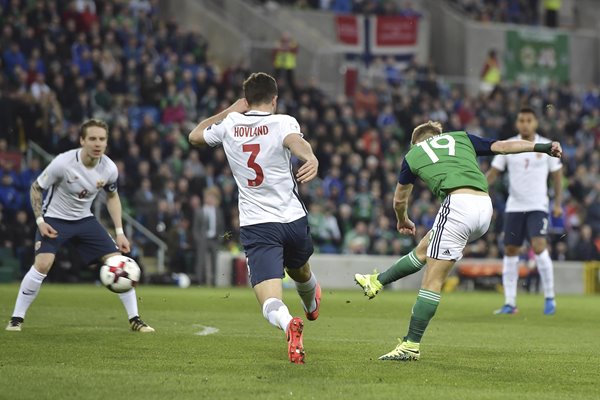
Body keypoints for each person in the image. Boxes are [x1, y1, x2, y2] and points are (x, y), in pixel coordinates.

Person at [355, 121, 561, 361]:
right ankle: (377, 281)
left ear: (417, 142)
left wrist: (403, 220)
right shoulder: (462, 138)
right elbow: (504, 147)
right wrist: (544, 147)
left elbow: (399, 200)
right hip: (484, 208)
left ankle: (411, 345)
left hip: (458, 205)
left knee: (432, 280)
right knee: (424, 250)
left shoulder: (413, 155)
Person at [189, 72, 321, 364]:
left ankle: (289, 324)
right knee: (300, 271)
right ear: (275, 99)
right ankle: (311, 302)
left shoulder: (231, 124)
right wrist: (310, 158)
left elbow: (195, 135)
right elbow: (295, 142)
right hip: (293, 219)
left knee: (270, 300)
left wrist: (230, 110)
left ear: (246, 100)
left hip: (258, 224)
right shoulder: (283, 121)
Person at [5, 119, 154, 333]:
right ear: (82, 140)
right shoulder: (63, 163)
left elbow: (113, 197)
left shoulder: (109, 168)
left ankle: (135, 320)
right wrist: (40, 220)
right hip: (54, 219)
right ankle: (16, 319)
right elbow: (36, 188)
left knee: (119, 263)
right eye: (92, 138)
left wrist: (120, 232)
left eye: (102, 139)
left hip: (85, 220)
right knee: (43, 264)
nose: (97, 143)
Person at [487, 107, 563, 315]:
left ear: (535, 123)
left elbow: (557, 176)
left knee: (539, 246)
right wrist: (477, 189)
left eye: (529, 120)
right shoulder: (508, 146)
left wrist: (557, 203)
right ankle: (510, 302)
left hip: (538, 205)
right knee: (510, 250)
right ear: (517, 123)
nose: (525, 124)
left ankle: (549, 297)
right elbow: (493, 174)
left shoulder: (546, 146)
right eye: (521, 120)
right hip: (515, 206)